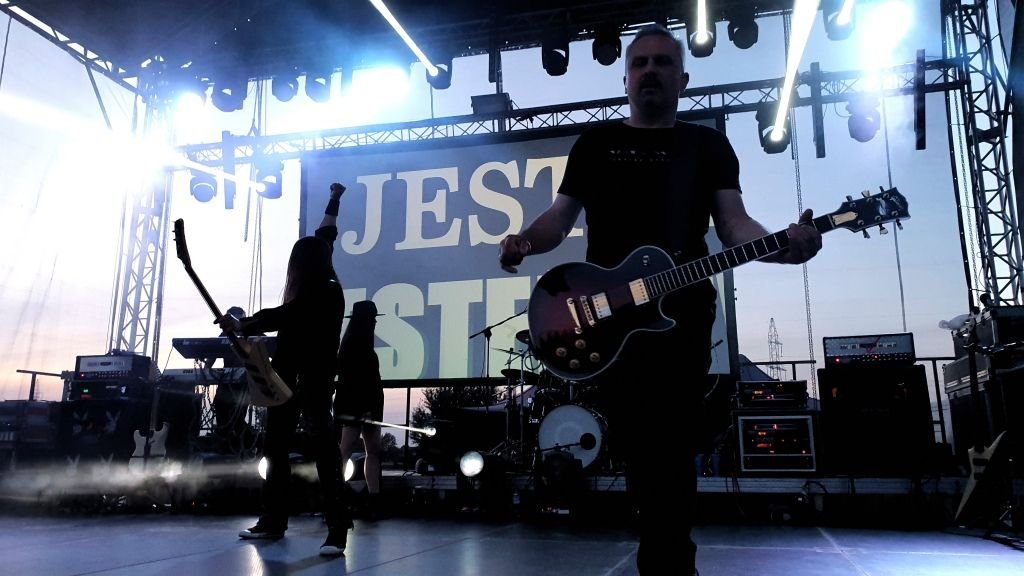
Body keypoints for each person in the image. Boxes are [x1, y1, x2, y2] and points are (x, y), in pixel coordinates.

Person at [497, 25, 822, 576]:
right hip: (608, 322)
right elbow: (559, 218)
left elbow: (734, 226)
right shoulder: (595, 144)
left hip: (681, 315)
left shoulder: (707, 146)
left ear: (683, 78)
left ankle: (670, 561)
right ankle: (663, 552)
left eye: (663, 62)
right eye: (640, 63)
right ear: (626, 79)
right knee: (641, 449)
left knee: (671, 444)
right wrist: (525, 241)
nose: (650, 70)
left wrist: (782, 249)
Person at [219, 182, 352, 556]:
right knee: (275, 447)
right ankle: (272, 520)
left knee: (324, 452)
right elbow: (326, 234)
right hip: (285, 376)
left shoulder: (326, 289)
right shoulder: (321, 276)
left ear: (300, 265)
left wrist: (245, 324)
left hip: (314, 378)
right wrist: (334, 200)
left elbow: (289, 314)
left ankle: (337, 528)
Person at [334, 299, 385, 520]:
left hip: (365, 403)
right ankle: (336, 496)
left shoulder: (354, 343)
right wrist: (365, 408)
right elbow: (356, 381)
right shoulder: (354, 346)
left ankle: (372, 498)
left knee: (369, 451)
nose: (374, 322)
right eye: (372, 318)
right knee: (347, 449)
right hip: (358, 404)